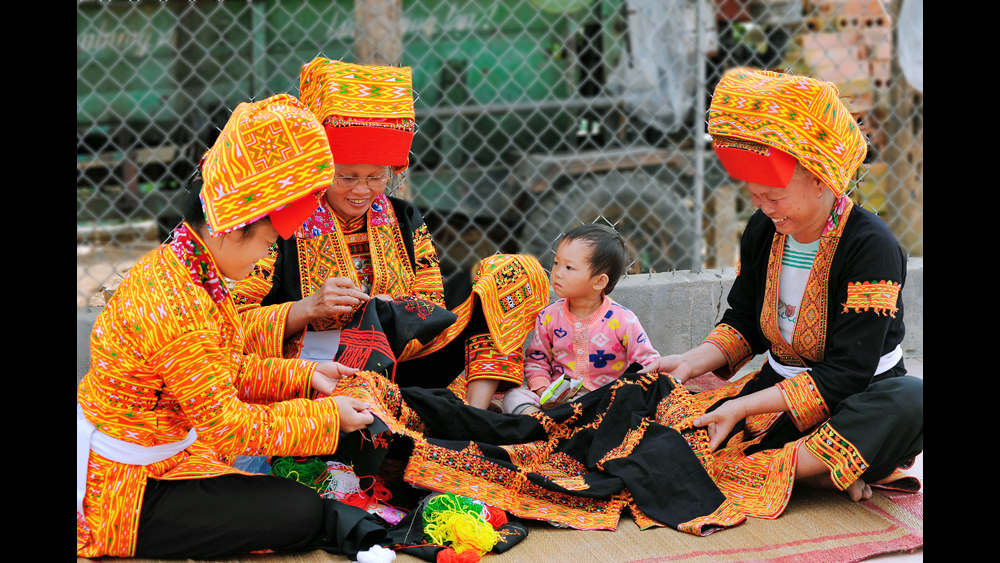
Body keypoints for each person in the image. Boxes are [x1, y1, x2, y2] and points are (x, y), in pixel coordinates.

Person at [76, 95, 386, 560]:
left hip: (163, 450)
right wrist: (328, 417)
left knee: (281, 492)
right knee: (299, 510)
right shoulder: (176, 302)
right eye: (265, 243)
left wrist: (303, 376)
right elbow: (226, 426)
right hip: (126, 489)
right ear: (228, 229)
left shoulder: (185, 266)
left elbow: (220, 371)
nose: (266, 256)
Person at [640, 68, 922, 511]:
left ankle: (780, 467)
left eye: (774, 196)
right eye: (754, 196)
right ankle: (818, 471)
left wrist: (745, 406)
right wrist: (689, 364)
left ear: (821, 179)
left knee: (913, 400)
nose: (764, 208)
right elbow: (744, 321)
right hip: (779, 395)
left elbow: (848, 375)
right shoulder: (764, 229)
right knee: (650, 417)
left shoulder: (873, 248)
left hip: (856, 402)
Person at [233, 57, 549, 410]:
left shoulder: (402, 216)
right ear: (321, 170)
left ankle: (474, 412)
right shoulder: (279, 228)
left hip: (408, 359)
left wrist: (396, 311)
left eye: (376, 177)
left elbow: (433, 306)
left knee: (514, 274)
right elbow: (235, 329)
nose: (362, 191)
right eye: (347, 177)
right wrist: (308, 308)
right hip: (322, 374)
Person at [501, 224, 661, 414]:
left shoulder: (623, 320)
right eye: (555, 263)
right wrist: (544, 392)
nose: (558, 272)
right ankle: (539, 421)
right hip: (560, 403)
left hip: (606, 401)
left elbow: (647, 361)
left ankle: (552, 426)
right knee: (513, 396)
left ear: (599, 281)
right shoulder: (548, 317)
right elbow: (537, 361)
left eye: (569, 267)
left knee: (635, 401)